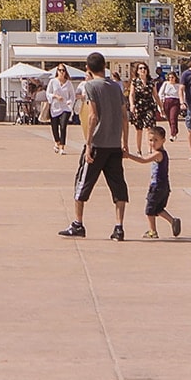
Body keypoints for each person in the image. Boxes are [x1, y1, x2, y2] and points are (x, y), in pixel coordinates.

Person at [59, 51, 130, 241]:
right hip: (114, 144)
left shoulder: (90, 86)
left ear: (88, 68)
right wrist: (125, 143)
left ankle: (78, 224)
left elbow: (92, 116)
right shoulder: (116, 87)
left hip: (98, 143)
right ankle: (119, 227)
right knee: (118, 186)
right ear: (105, 66)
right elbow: (125, 116)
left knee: (82, 183)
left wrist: (88, 144)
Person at [128, 125, 180, 239]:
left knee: (149, 210)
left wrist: (128, 156)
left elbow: (143, 160)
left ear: (163, 141)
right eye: (150, 140)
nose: (152, 143)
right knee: (158, 209)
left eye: (156, 140)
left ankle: (153, 231)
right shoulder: (162, 153)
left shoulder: (158, 154)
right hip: (164, 186)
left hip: (157, 186)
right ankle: (172, 221)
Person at [46, 65, 76, 154]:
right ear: (57, 71)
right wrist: (55, 96)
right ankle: (57, 142)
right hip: (55, 107)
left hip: (65, 107)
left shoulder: (68, 83)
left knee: (63, 126)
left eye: (63, 70)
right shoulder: (53, 82)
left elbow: (72, 96)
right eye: (60, 70)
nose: (62, 72)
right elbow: (48, 93)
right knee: (54, 127)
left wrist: (70, 102)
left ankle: (62, 146)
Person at [126, 61, 159, 135]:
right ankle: (139, 147)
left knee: (149, 127)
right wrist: (132, 105)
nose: (143, 70)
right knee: (139, 129)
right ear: (137, 71)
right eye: (140, 68)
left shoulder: (151, 82)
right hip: (138, 106)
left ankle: (150, 146)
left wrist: (161, 107)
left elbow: (155, 95)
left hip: (149, 106)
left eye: (145, 68)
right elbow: (131, 94)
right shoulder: (134, 81)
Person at [158, 69, 183, 138]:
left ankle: (173, 134)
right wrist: (161, 102)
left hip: (175, 102)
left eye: (172, 77)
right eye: (169, 77)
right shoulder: (166, 84)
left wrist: (182, 103)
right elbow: (161, 93)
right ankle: (174, 129)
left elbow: (182, 94)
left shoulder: (178, 85)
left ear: (175, 78)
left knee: (173, 117)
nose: (171, 79)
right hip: (167, 101)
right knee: (169, 118)